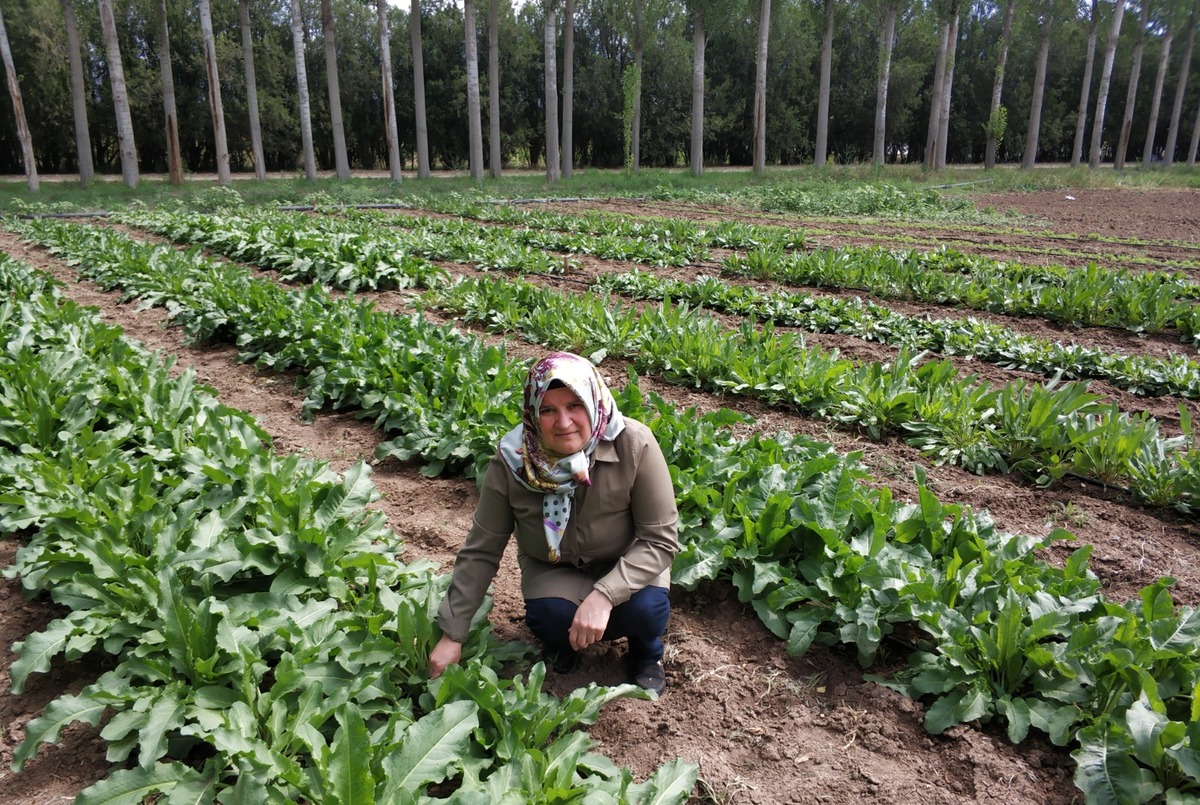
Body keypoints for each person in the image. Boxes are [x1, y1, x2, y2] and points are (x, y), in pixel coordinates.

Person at [427, 352, 680, 694]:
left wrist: (604, 595)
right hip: (554, 568)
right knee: (549, 616)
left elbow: (660, 539)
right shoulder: (513, 462)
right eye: (548, 410)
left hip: (627, 561)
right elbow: (482, 549)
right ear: (532, 413)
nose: (564, 423)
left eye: (574, 405)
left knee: (647, 609)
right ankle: (563, 643)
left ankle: (646, 650)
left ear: (593, 401)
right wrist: (452, 634)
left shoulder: (634, 444)